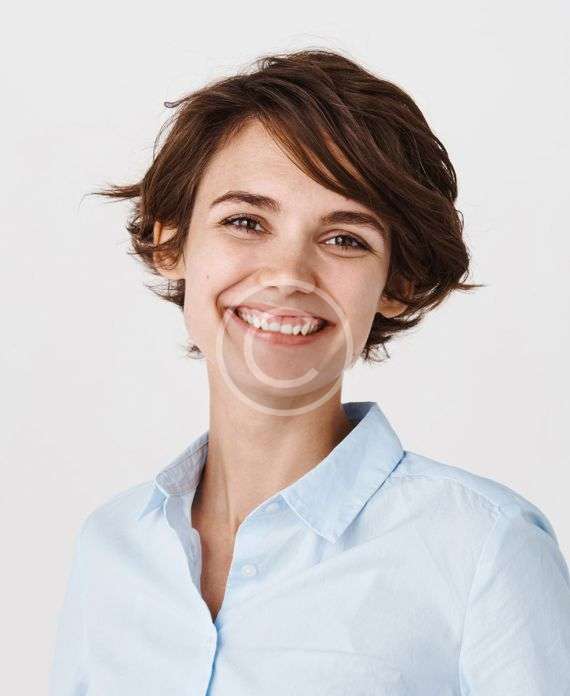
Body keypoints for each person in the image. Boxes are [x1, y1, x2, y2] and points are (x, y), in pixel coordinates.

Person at [49, 49, 570, 695]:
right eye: (245, 222)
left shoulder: (483, 548)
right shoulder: (112, 546)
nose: (289, 274)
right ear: (170, 242)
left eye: (345, 238)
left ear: (397, 284)